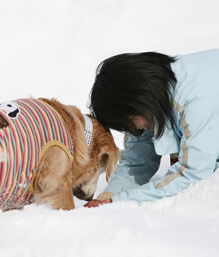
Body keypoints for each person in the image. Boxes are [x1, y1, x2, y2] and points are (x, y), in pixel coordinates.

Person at [84, 49, 219, 208]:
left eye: (129, 121)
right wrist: (108, 197)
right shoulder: (151, 100)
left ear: (137, 101)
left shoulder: (194, 101)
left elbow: (193, 174)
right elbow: (136, 163)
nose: (134, 128)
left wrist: (121, 201)